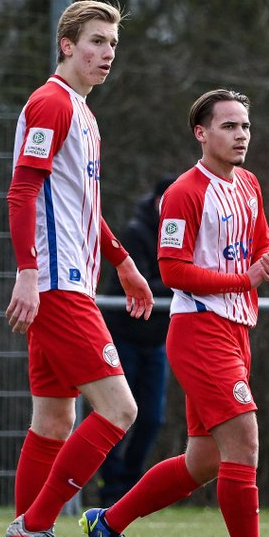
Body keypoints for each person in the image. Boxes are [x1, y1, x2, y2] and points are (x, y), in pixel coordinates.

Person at [80, 88, 269, 537]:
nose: (240, 134)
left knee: (203, 461)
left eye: (245, 125)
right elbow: (173, 270)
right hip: (200, 330)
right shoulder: (183, 192)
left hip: (237, 330)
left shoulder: (248, 183)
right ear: (201, 134)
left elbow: (260, 244)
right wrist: (244, 279)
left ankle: (107, 522)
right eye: (228, 126)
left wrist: (265, 261)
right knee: (244, 441)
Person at [2, 0, 154, 537]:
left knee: (52, 421)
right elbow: (22, 191)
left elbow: (82, 207)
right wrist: (26, 272)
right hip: (59, 287)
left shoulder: (83, 114)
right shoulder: (50, 103)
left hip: (70, 281)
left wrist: (123, 261)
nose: (106, 53)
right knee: (120, 411)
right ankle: (37, 530)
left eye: (112, 44)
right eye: (95, 42)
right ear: (66, 45)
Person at [96, 176, 175, 507]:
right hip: (124, 337)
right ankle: (110, 483)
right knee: (117, 413)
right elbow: (138, 285)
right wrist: (182, 283)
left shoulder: (183, 234)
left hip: (156, 341)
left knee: (152, 416)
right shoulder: (135, 232)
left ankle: (129, 484)